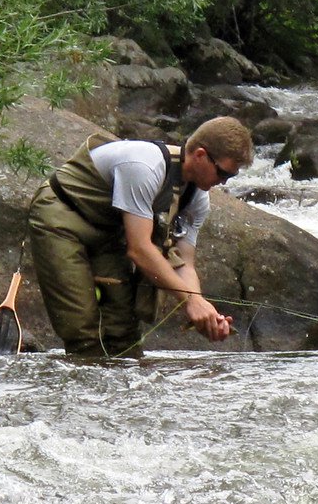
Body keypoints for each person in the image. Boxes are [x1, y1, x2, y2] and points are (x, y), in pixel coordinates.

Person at [28, 116, 254, 358]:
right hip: (61, 217)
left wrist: (203, 310)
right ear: (200, 155)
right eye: (223, 173)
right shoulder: (145, 167)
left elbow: (185, 263)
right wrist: (190, 301)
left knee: (123, 328)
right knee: (82, 329)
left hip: (108, 232)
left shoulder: (197, 197)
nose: (223, 182)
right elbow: (139, 250)